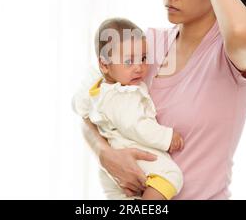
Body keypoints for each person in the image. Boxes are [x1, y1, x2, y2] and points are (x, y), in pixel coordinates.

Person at [78, 0, 246, 199]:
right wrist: (105, 154)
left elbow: (245, 32)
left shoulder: (230, 56)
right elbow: (86, 105)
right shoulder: (144, 44)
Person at [73, 17, 184, 200]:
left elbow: (82, 108)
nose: (139, 67)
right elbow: (137, 125)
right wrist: (167, 137)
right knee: (171, 176)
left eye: (143, 58)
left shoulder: (101, 88)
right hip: (133, 156)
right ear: (104, 64)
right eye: (129, 62)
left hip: (114, 166)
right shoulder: (122, 95)